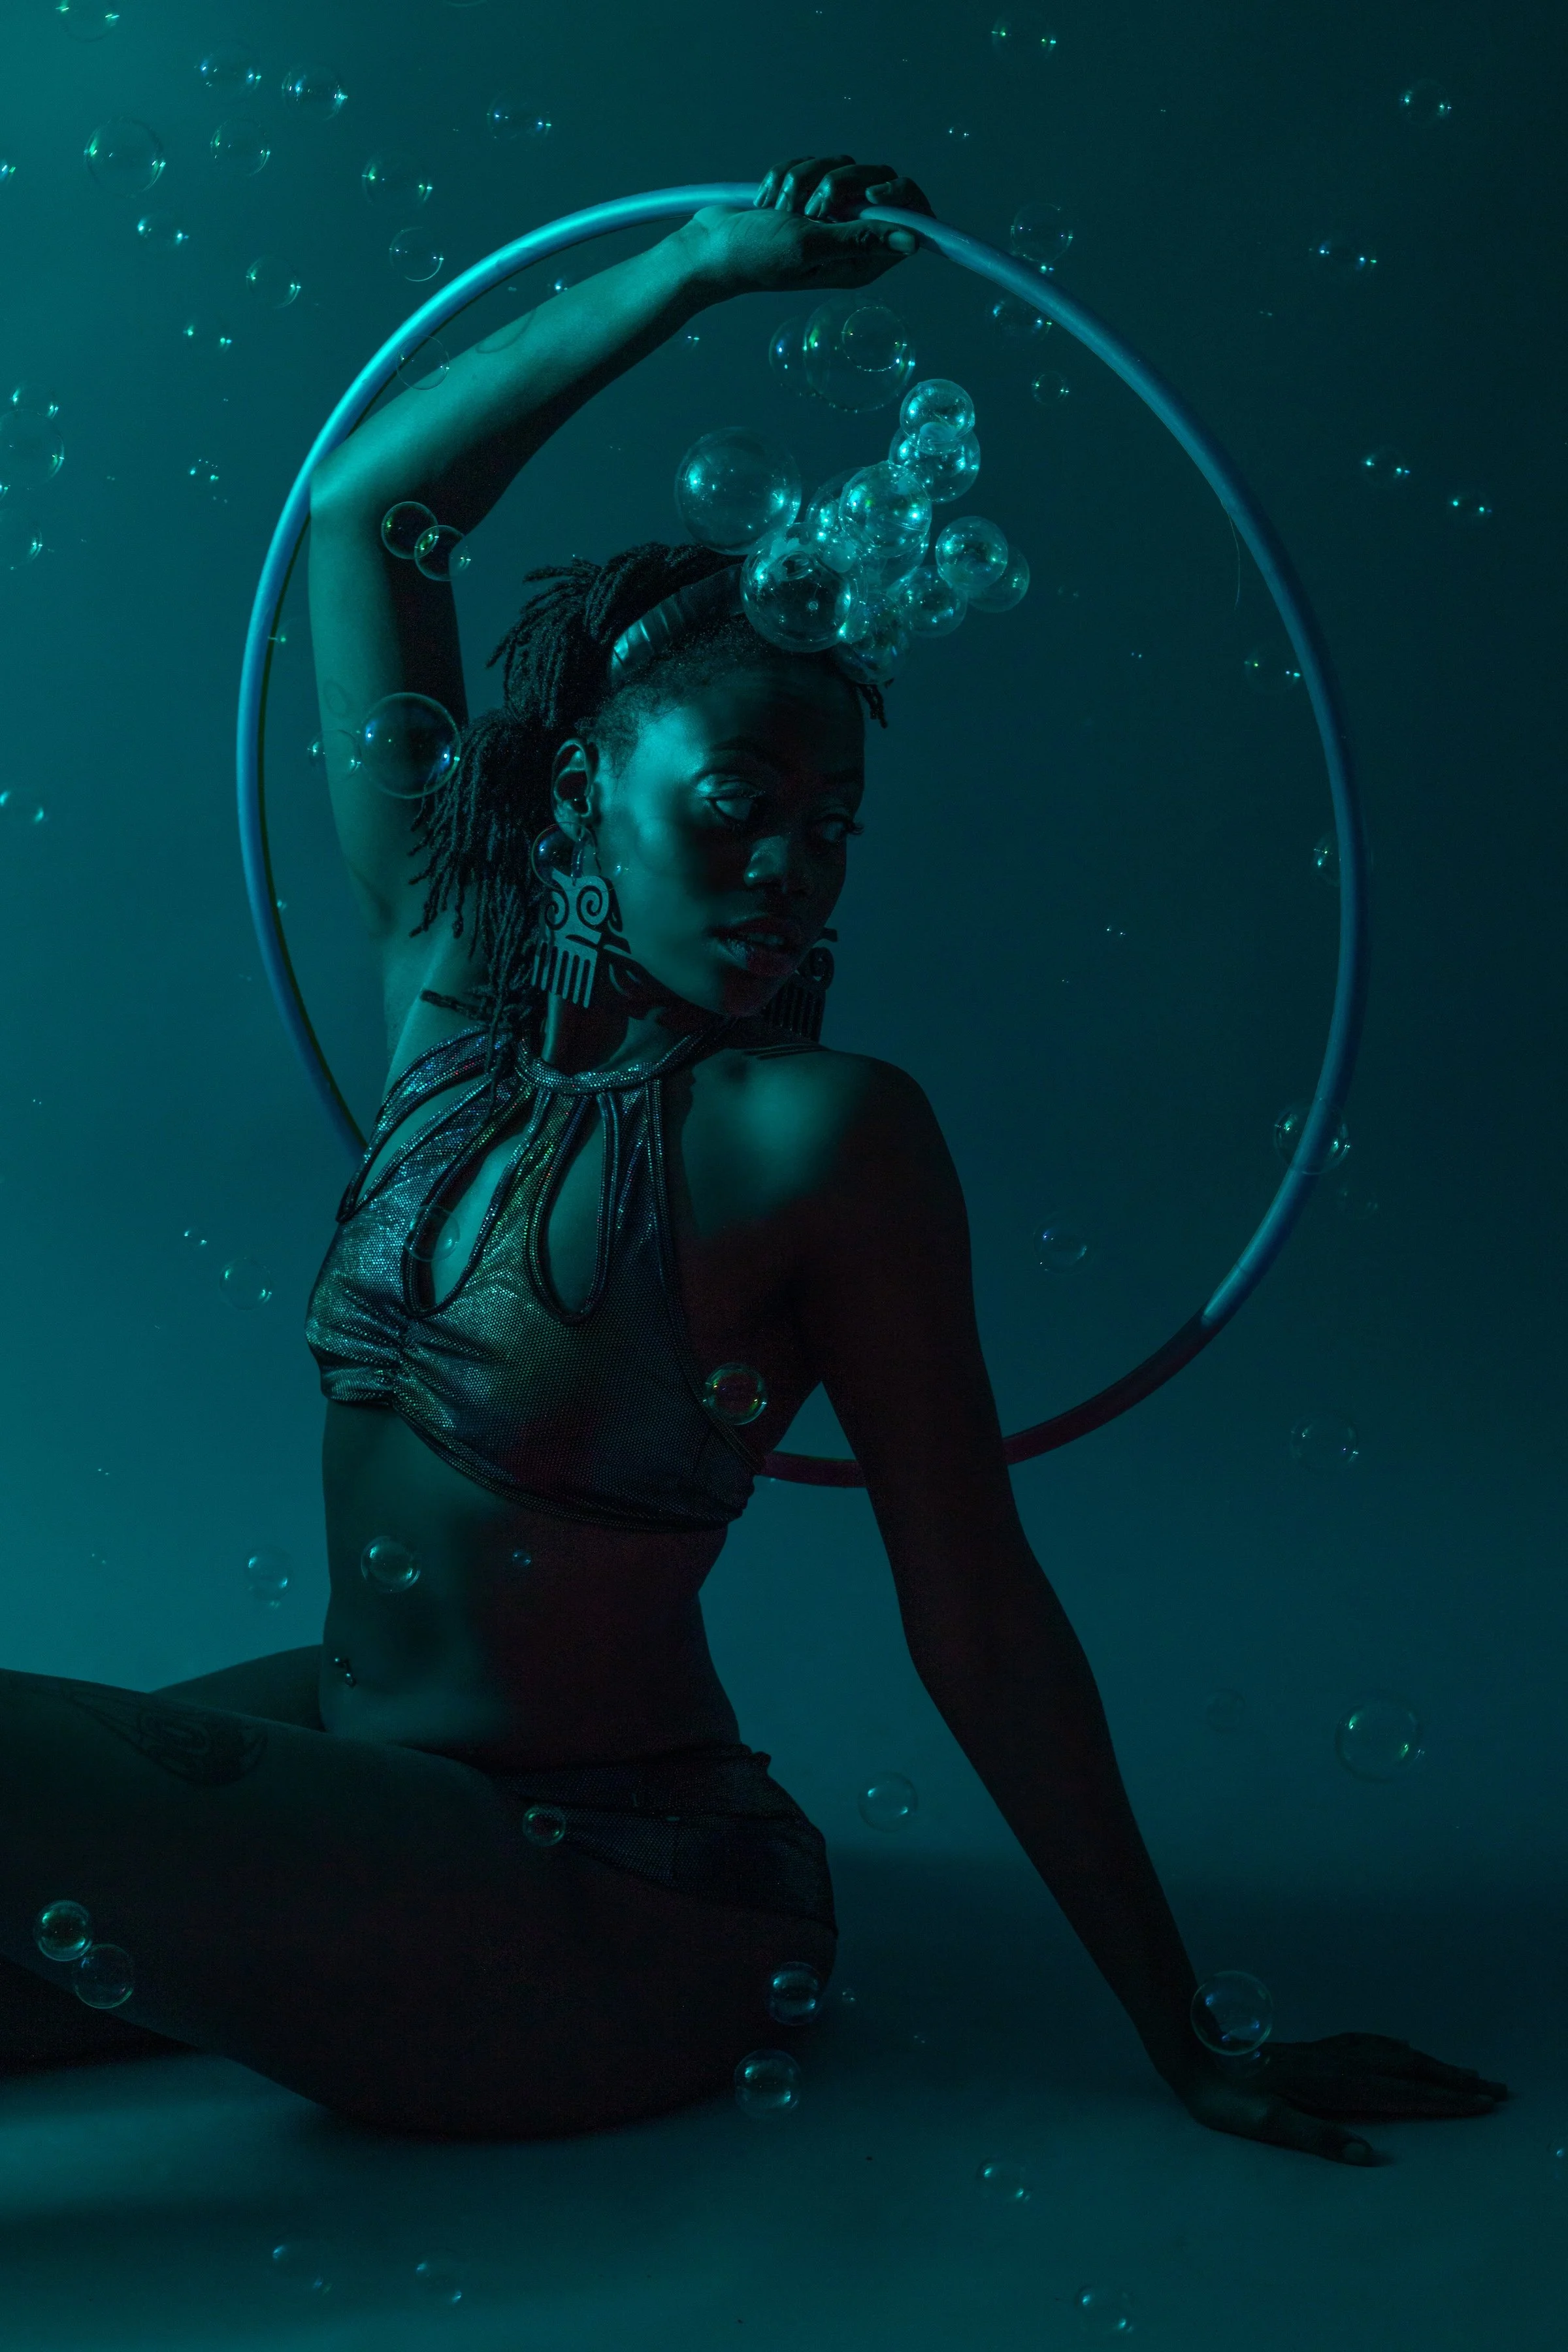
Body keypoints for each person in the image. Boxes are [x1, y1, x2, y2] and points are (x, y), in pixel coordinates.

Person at [0, 155, 1506, 2154]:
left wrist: (1188, 2027)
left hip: (603, 1891)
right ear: (569, 810)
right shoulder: (448, 983)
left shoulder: (826, 1137)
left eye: (835, 825)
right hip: (368, 1782)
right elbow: (374, 507)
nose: (796, 866)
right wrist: (702, 268)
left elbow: (971, 1597)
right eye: (737, 808)